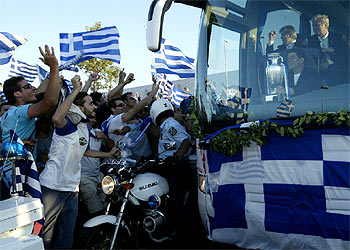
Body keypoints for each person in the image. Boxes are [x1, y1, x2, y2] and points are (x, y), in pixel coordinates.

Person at [39, 75, 119, 249]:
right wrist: (75, 90)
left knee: (66, 236)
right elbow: (56, 118)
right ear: (79, 107)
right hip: (53, 187)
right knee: (45, 236)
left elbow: (85, 151)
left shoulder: (84, 127)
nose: (94, 106)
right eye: (90, 103)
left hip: (71, 189)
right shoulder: (67, 124)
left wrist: (109, 155)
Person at [0, 45, 60, 195]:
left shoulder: (10, 113)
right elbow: (50, 101)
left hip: (10, 173)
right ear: (17, 94)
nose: (33, 87)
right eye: (27, 86)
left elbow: (38, 93)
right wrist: (54, 67)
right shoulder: (20, 112)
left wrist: (51, 78)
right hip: (18, 176)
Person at [149, 98, 194, 243]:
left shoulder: (170, 124)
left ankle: (181, 234)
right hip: (168, 166)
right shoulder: (165, 126)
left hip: (176, 168)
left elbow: (185, 141)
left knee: (176, 201)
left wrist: (177, 157)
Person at [79, 115, 114, 216]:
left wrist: (105, 138)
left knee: (107, 204)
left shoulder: (98, 132)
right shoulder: (78, 132)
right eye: (91, 113)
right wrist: (108, 154)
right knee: (96, 210)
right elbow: (86, 152)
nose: (94, 114)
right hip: (84, 176)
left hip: (98, 175)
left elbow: (112, 146)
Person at [308, 14, 349, 84]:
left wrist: (334, 50)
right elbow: (310, 55)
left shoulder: (338, 37)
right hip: (319, 70)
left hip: (338, 69)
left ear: (326, 25)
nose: (314, 28)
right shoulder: (311, 40)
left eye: (317, 25)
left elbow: (346, 54)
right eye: (313, 25)